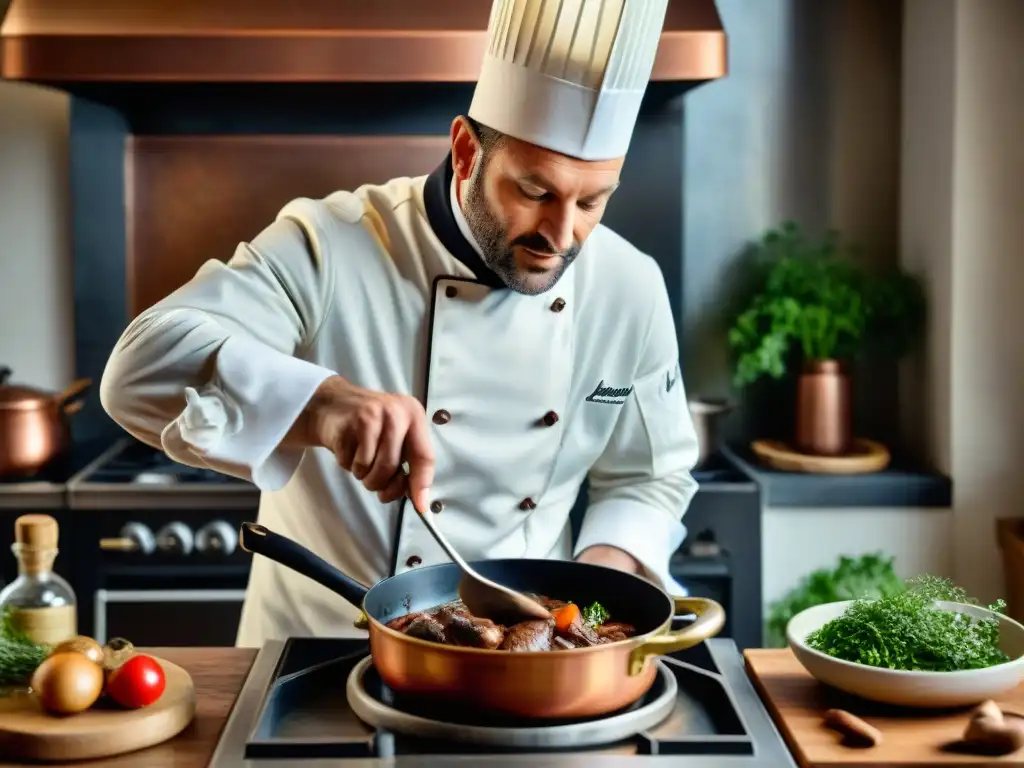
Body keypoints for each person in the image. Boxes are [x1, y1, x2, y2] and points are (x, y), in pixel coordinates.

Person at [99, 0, 701, 647]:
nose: (562, 234)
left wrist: (584, 607)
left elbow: (649, 475)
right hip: (315, 654)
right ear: (467, 152)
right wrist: (322, 405)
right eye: (535, 192)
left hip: (529, 664)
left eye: (592, 201)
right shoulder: (331, 243)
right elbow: (136, 370)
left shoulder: (628, 285)